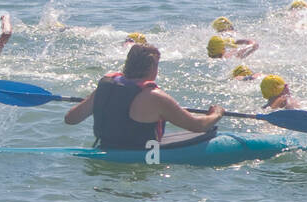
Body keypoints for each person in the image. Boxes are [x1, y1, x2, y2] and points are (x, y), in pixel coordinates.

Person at [64, 43, 225, 150]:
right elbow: (198, 126)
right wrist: (216, 114)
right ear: (152, 68)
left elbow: (70, 119)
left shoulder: (106, 84)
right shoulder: (155, 97)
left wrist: (99, 99)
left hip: (105, 149)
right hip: (144, 158)